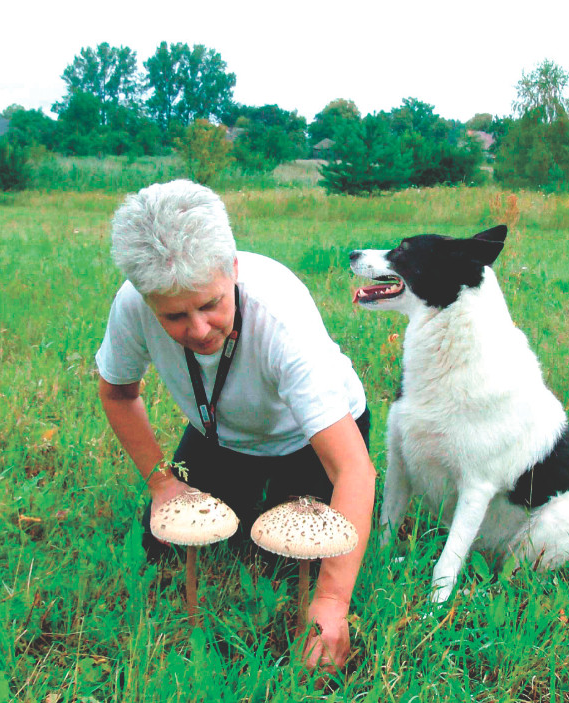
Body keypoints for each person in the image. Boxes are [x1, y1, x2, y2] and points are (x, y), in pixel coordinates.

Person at [95, 179, 376, 672]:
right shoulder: (133, 304)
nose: (198, 330)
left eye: (210, 304)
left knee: (285, 561)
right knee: (165, 543)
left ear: (234, 269)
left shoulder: (283, 323)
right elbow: (118, 393)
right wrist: (162, 483)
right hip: (218, 433)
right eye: (175, 316)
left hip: (308, 437)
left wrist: (332, 603)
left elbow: (354, 470)